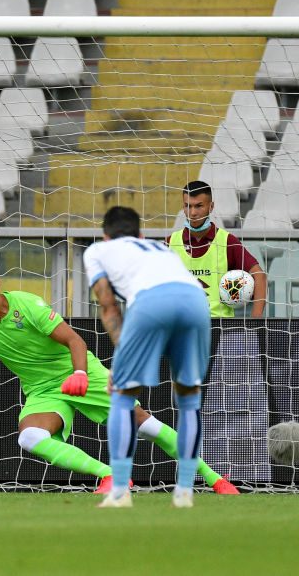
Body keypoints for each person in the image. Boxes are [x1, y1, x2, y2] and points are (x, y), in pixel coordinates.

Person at [0, 257, 238, 496]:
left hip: (83, 372)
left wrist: (79, 373)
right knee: (30, 437)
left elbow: (75, 340)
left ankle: (216, 479)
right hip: (43, 392)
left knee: (147, 427)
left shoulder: (28, 306)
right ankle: (110, 474)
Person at [87, 206, 212, 508]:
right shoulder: (159, 247)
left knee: (122, 395)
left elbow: (108, 305)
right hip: (196, 301)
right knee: (189, 398)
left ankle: (119, 492)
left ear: (106, 236)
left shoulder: (97, 251)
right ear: (140, 234)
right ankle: (184, 492)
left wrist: (121, 360)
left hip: (150, 301)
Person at [169, 180, 267, 317]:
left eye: (199, 206)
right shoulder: (170, 242)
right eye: (187, 206)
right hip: (182, 326)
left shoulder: (227, 241)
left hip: (220, 328)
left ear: (211, 207)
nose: (192, 213)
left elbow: (259, 276)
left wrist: (255, 324)